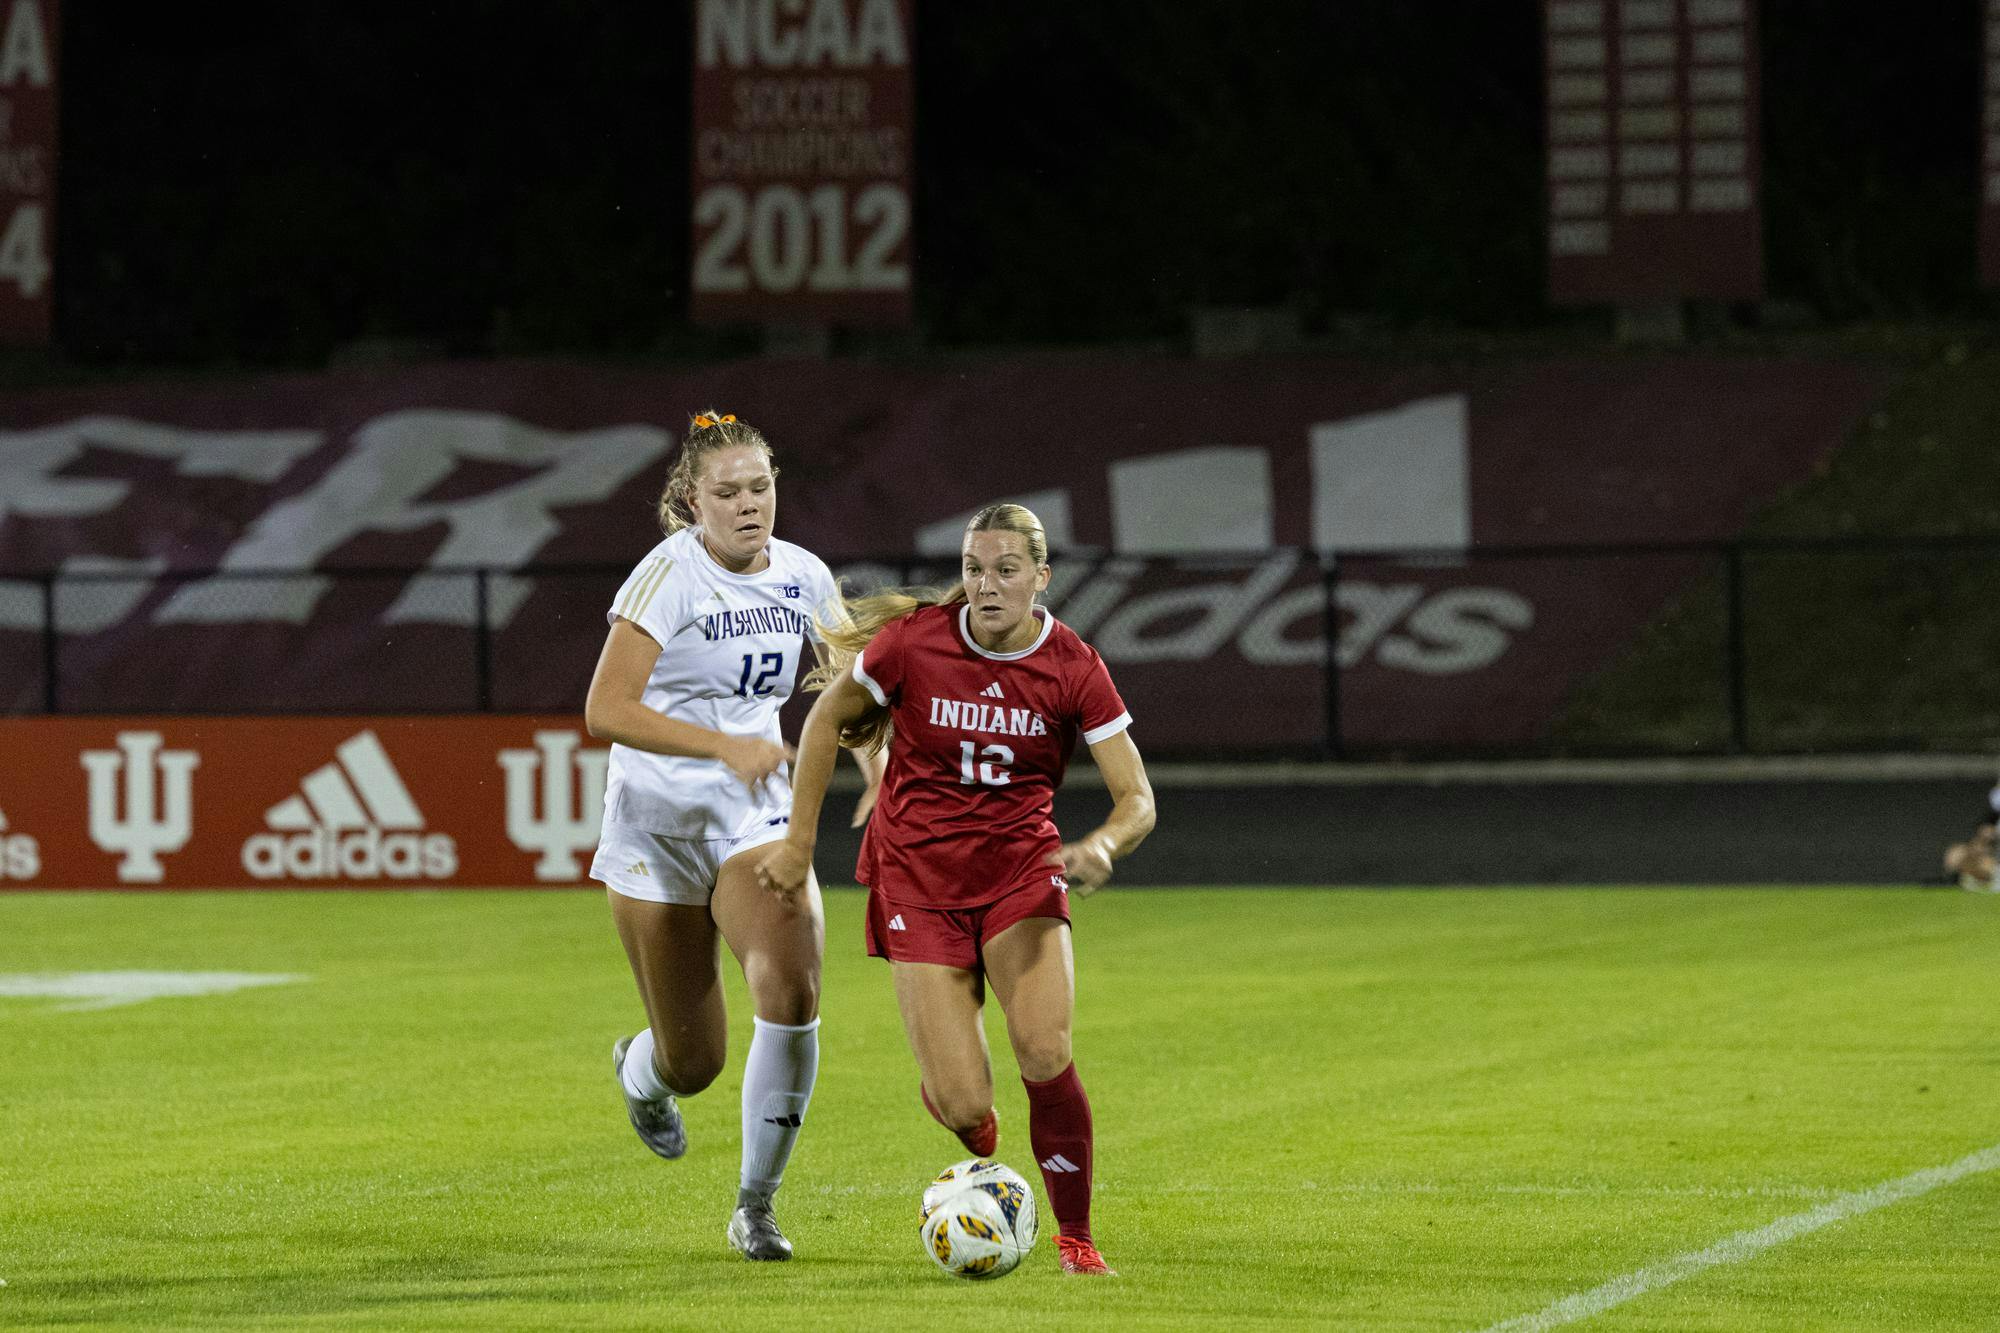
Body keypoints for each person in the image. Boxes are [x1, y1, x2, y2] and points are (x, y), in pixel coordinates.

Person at [758, 502, 1157, 1277]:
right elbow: (823, 721)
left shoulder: (1073, 663)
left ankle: (1077, 1239)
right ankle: (956, 1106)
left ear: (1041, 579)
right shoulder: (915, 642)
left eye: (1007, 570)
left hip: (1019, 872)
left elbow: (1137, 796)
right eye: (975, 568)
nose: (986, 584)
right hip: (917, 879)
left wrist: (1105, 843)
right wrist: (798, 839)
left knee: (1044, 1047)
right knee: (970, 1109)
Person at [583, 411, 881, 1261]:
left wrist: (877, 771)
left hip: (756, 820)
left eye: (762, 487)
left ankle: (756, 1203)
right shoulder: (666, 577)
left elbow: (847, 695)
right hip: (657, 827)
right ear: (691, 499)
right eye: (728, 492)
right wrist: (725, 744)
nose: (750, 505)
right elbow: (606, 710)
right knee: (694, 1062)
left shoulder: (804, 576)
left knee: (791, 989)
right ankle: (643, 1074)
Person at [1942, 782, 1999, 893]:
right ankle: (1966, 879)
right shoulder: (1991, 820)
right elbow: (1981, 842)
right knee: (1956, 853)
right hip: (1989, 861)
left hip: (1994, 864)